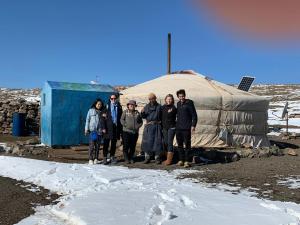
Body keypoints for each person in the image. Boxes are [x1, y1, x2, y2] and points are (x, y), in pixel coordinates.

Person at [176, 89, 198, 168]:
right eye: (179, 96)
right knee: (180, 145)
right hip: (178, 127)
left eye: (182, 96)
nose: (181, 97)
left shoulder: (189, 103)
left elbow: (194, 115)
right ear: (178, 97)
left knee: (187, 145)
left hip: (186, 127)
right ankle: (181, 160)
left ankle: (186, 161)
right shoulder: (178, 104)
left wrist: (193, 125)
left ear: (184, 95)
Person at [141, 93, 163, 164]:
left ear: (155, 98)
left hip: (156, 126)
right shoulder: (147, 106)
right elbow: (144, 116)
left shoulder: (159, 106)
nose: (151, 100)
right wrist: (142, 112)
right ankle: (147, 157)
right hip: (149, 126)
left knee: (157, 142)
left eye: (152, 98)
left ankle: (157, 158)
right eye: (150, 99)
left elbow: (162, 116)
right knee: (147, 142)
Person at [120, 100, 143, 164]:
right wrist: (125, 125)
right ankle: (126, 158)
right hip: (126, 132)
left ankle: (131, 157)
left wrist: (138, 126)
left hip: (134, 132)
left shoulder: (137, 113)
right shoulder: (125, 112)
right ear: (128, 105)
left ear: (135, 106)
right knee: (126, 145)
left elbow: (141, 121)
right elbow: (121, 119)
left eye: (133, 105)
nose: (131, 106)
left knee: (133, 146)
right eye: (130, 105)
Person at [103, 93, 123, 164]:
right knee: (106, 143)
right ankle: (105, 157)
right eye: (112, 98)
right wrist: (103, 127)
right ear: (110, 99)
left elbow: (121, 118)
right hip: (108, 128)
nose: (113, 100)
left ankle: (112, 156)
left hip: (116, 128)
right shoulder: (106, 106)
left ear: (116, 99)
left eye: (114, 98)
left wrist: (120, 129)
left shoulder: (119, 106)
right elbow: (103, 118)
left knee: (113, 144)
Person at [85, 98, 106, 165]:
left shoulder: (103, 112)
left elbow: (104, 121)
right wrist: (86, 129)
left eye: (100, 104)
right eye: (98, 104)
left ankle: (96, 158)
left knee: (97, 146)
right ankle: (90, 159)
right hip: (92, 131)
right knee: (92, 145)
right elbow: (87, 120)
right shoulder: (91, 111)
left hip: (99, 131)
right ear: (95, 104)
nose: (99, 105)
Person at [161, 94, 177, 166]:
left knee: (170, 142)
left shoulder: (174, 108)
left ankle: (169, 160)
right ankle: (166, 157)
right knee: (165, 142)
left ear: (172, 100)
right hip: (164, 127)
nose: (169, 100)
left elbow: (179, 116)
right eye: (168, 99)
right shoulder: (162, 107)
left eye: (170, 99)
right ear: (165, 99)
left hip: (172, 127)